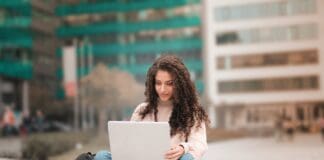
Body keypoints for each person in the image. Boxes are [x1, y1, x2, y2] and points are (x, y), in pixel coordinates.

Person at [93, 55, 209, 160]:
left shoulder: (193, 112)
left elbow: (200, 145)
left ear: (180, 84)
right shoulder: (142, 110)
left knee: (187, 158)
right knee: (101, 156)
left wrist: (183, 148)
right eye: (158, 83)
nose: (162, 89)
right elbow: (129, 143)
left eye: (169, 83)